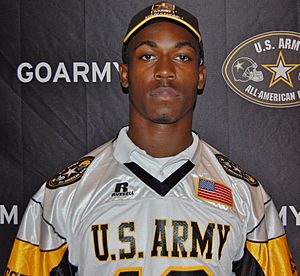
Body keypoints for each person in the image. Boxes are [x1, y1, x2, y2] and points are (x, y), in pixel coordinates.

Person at [6, 2, 297, 275]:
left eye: (182, 57)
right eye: (147, 56)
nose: (165, 71)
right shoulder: (61, 198)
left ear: (200, 76)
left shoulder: (247, 198)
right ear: (124, 74)